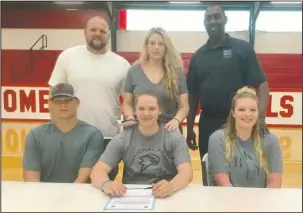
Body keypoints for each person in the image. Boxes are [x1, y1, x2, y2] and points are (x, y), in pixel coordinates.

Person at [186, 5, 270, 159]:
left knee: (240, 167)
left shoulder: (243, 49)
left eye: (217, 17)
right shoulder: (198, 56)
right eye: (208, 18)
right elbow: (193, 96)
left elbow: (262, 86)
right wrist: (190, 128)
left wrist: (261, 118)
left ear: (225, 19)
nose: (212, 21)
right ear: (204, 23)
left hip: (239, 121)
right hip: (208, 123)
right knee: (209, 168)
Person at [90, 91, 193, 198]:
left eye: (152, 109)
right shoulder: (122, 139)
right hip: (130, 195)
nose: (146, 114)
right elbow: (97, 170)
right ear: (135, 111)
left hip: (165, 195)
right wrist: (106, 184)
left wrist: (172, 186)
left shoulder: (174, 137)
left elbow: (186, 173)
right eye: (141, 109)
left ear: (160, 111)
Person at [48, 16, 130, 137]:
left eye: (102, 31)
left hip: (108, 136)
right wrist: (57, 127)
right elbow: (53, 96)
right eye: (93, 30)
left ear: (108, 35)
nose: (98, 34)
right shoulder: (67, 56)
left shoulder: (122, 64)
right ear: (85, 33)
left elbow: (129, 102)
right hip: (72, 135)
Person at [23, 83, 104, 183]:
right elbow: (31, 180)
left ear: (77, 102)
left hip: (80, 195)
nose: (63, 105)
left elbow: (82, 179)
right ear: (50, 104)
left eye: (68, 100)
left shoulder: (93, 135)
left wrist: (67, 197)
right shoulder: (35, 135)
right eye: (58, 102)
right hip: (45, 195)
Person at [208, 87, 283, 188]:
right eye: (241, 109)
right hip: (229, 200)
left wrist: (264, 203)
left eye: (253, 110)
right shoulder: (218, 139)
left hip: (261, 202)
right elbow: (224, 184)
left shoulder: (271, 140)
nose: (248, 114)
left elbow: (275, 184)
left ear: (258, 113)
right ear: (233, 113)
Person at [122, 27, 189, 132]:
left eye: (161, 44)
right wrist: (130, 118)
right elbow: (127, 103)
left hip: (169, 131)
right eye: (152, 43)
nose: (156, 47)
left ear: (166, 47)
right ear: (147, 46)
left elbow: (184, 107)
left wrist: (176, 120)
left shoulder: (176, 72)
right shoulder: (134, 70)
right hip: (140, 131)